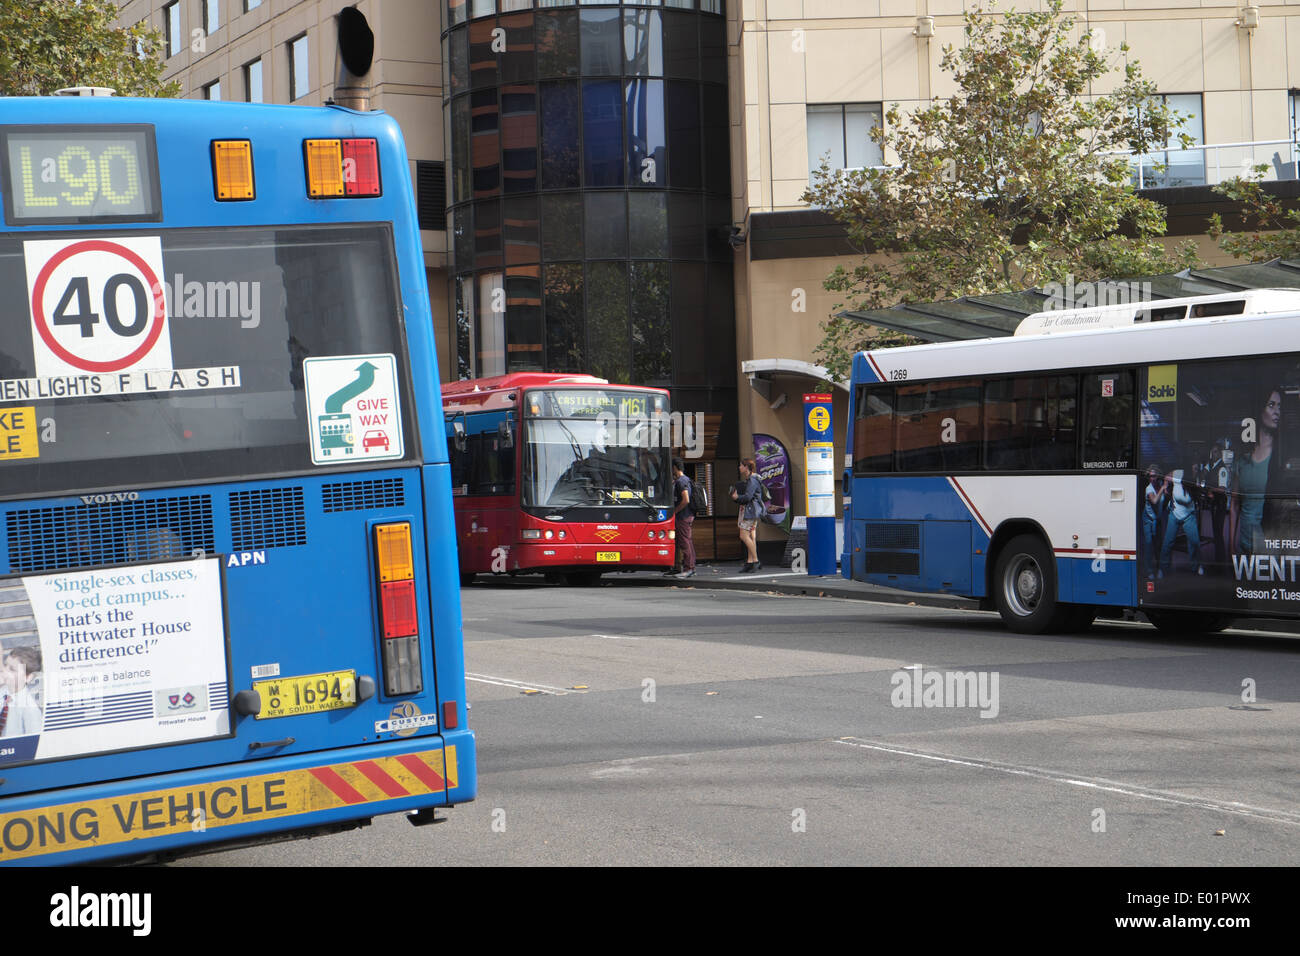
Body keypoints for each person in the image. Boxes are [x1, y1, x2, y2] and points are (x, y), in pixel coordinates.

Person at [1230, 386, 1282, 556]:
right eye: (1271, 405)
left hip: (1270, 551)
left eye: (1279, 407)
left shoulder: (1280, 457)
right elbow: (1235, 505)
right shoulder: (1243, 460)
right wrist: (1231, 546)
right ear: (1260, 410)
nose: (1277, 412)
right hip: (1244, 548)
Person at [1159, 468, 1204, 575]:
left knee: (1194, 542)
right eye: (1193, 467)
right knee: (1168, 542)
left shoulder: (1197, 480)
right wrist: (1165, 490)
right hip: (1174, 514)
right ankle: (1163, 568)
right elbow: (1166, 477)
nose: (1194, 469)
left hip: (1188, 515)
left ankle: (1197, 566)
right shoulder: (1179, 473)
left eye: (1196, 468)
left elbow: (1198, 495)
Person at [0, 645, 42, 738]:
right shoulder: (2, 692)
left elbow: (32, 744)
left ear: (28, 677)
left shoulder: (30, 710)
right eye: (6, 665)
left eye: (12, 669)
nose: (5, 671)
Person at [665, 457, 696, 579]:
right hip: (685, 516)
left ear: (674, 467)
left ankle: (689, 568)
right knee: (681, 542)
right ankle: (678, 567)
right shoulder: (684, 480)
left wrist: (674, 512)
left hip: (683, 517)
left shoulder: (681, 481)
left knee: (685, 542)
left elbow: (686, 500)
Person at [731, 458, 763, 572]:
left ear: (746, 467)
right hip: (751, 510)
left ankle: (756, 561)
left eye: (741, 465)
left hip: (750, 511)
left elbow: (748, 497)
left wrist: (737, 497)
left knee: (744, 536)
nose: (739, 467)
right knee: (751, 536)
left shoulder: (752, 480)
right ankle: (750, 562)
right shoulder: (751, 479)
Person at [1142, 464, 1167, 580]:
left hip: (1158, 518)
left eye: (1154, 476)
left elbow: (1163, 501)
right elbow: (1155, 501)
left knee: (1159, 545)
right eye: (1150, 476)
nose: (1152, 478)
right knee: (1149, 544)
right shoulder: (1149, 489)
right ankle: (1149, 570)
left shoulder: (1160, 485)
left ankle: (1160, 569)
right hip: (1148, 519)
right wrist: (1163, 489)